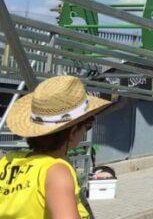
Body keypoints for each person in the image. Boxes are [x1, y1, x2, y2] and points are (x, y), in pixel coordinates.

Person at [0, 75, 112, 219]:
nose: (86, 131)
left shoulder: (7, 161)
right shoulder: (56, 172)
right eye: (88, 126)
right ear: (73, 132)